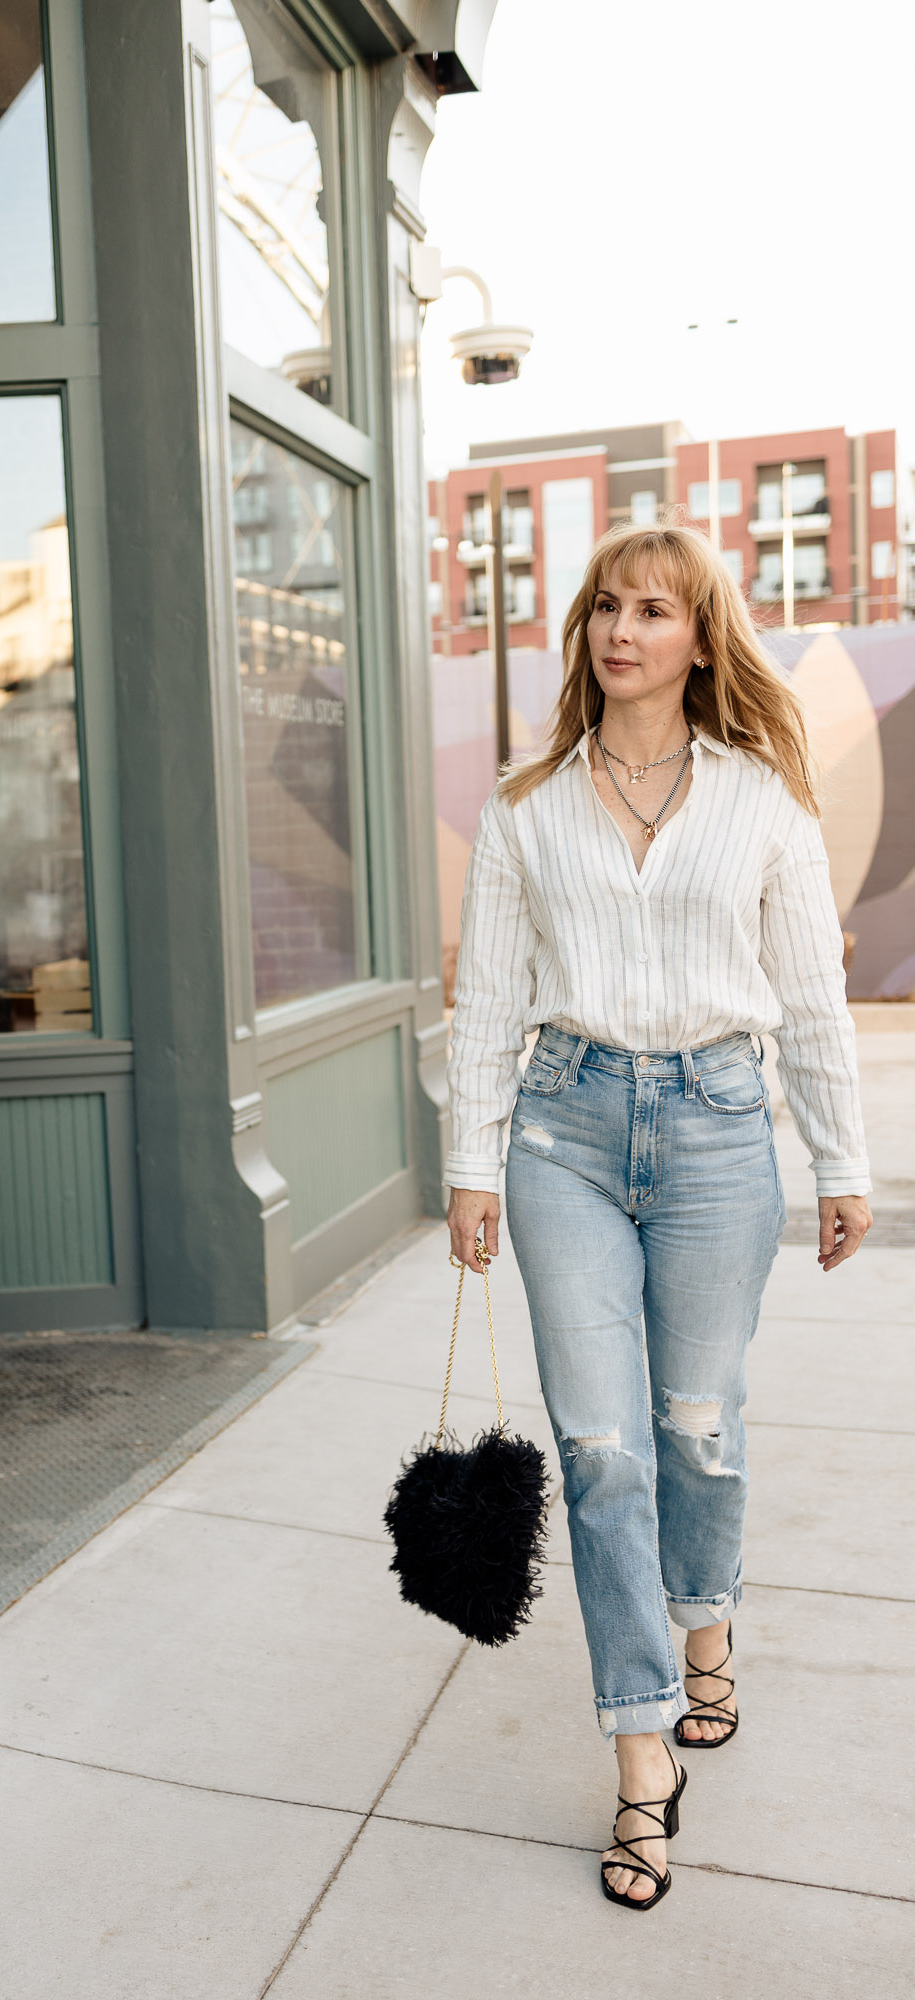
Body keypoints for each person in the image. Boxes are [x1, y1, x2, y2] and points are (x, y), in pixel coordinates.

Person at [444, 521, 872, 1911]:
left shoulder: (761, 799)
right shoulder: (526, 805)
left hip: (714, 1138)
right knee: (603, 1453)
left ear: (699, 639)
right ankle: (640, 1760)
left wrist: (840, 1159)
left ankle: (706, 1634)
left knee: (696, 1428)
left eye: (652, 609)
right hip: (561, 1134)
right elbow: (487, 1003)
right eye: (603, 606)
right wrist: (470, 1161)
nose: (620, 629)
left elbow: (807, 994)